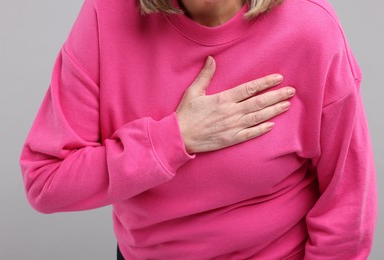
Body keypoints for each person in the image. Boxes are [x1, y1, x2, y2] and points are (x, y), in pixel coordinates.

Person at [20, 0, 377, 259]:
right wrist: (173, 138)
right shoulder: (105, 15)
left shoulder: (311, 29)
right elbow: (46, 182)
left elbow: (347, 205)